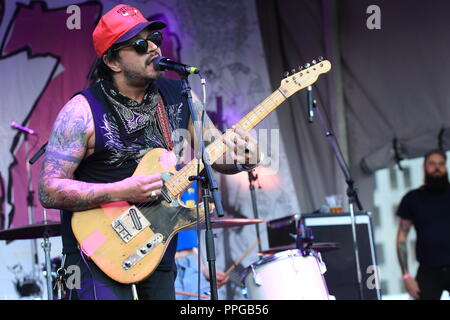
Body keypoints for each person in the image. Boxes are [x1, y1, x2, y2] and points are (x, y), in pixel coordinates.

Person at [38, 4, 260, 300]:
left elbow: (216, 156)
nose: (153, 48)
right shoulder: (81, 112)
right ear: (113, 61)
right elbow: (49, 189)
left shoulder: (180, 96)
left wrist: (246, 159)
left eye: (154, 38)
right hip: (97, 254)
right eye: (140, 44)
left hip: (157, 249)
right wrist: (120, 190)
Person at [396, 149, 450, 300]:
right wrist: (406, 276)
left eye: (441, 164)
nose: (437, 167)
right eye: (432, 164)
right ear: (424, 167)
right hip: (428, 270)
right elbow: (401, 238)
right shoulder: (413, 198)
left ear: (445, 167)